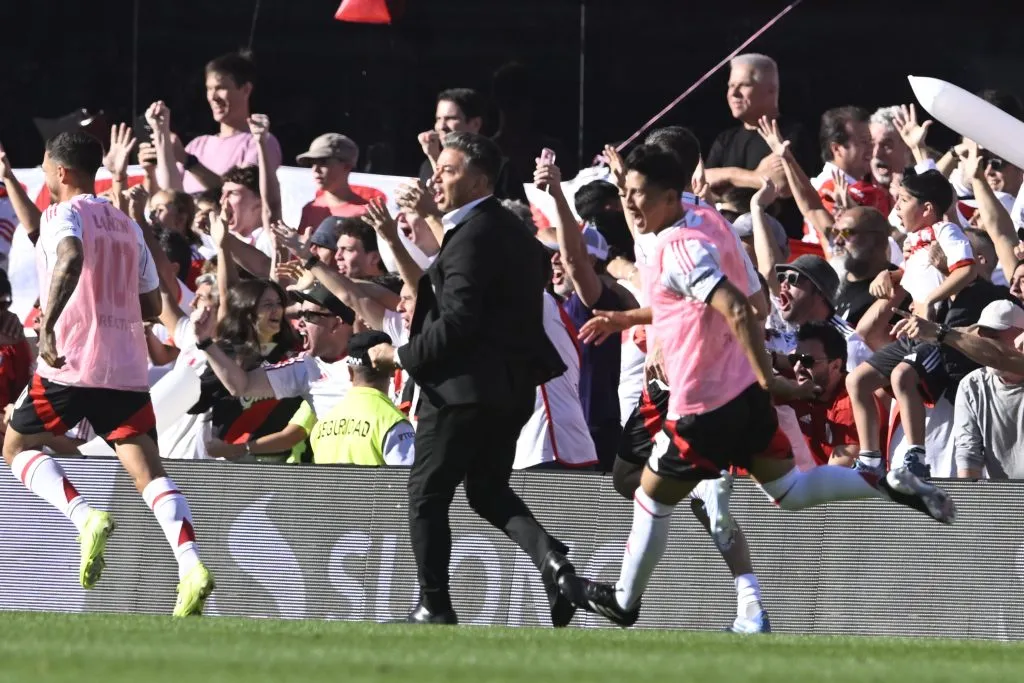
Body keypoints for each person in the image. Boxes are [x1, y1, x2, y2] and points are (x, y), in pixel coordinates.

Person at [556, 143, 955, 628]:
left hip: (704, 401)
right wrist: (628, 318)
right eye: (627, 194)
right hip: (743, 393)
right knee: (788, 489)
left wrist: (773, 378)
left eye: (640, 194)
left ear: (669, 194)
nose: (631, 206)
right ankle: (885, 483)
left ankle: (624, 601)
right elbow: (731, 300)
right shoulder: (708, 221)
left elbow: (739, 307)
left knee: (649, 496)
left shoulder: (678, 246)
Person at [366, 131, 575, 626]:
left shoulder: (473, 237)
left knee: (427, 493)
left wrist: (400, 356)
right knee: (485, 489)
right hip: (511, 390)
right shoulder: (509, 234)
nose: (436, 178)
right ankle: (553, 562)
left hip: (461, 391)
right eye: (437, 170)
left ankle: (433, 605)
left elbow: (458, 322)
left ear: (480, 179)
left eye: (449, 170)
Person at [1, 131, 214, 616]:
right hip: (126, 369)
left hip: (72, 363)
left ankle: (84, 515)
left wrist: (50, 325)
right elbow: (149, 301)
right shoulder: (126, 224)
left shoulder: (63, 214)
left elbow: (71, 256)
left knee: (15, 446)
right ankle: (191, 564)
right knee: (149, 474)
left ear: (60, 172)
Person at [846, 170, 978, 477]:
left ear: (927, 209)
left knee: (903, 376)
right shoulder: (914, 241)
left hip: (936, 335)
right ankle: (870, 459)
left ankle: (916, 457)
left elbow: (966, 271)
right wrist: (889, 275)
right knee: (857, 381)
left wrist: (931, 300)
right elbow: (911, 276)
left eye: (904, 200)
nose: (896, 209)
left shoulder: (947, 232)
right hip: (910, 334)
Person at [307, 330, 415, 466]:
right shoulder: (393, 422)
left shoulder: (320, 426)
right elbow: (407, 481)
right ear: (393, 371)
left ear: (350, 373)